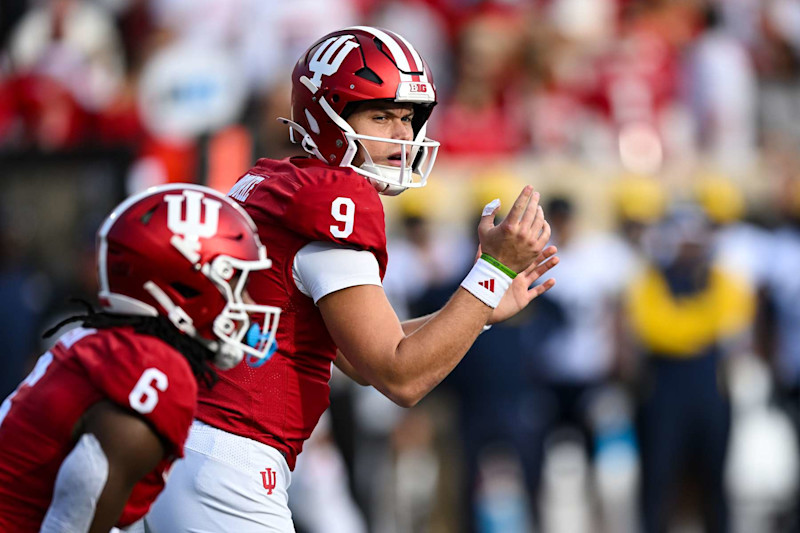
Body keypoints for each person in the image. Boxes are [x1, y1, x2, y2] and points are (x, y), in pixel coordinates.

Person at [146, 26, 559, 532]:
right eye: (380, 115)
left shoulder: (276, 180)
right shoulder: (336, 199)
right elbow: (399, 377)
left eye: (407, 118)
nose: (402, 135)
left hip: (186, 450)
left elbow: (357, 357)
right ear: (326, 114)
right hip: (229, 462)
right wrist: (491, 272)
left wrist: (480, 310)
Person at [0, 183, 281, 533]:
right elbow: (80, 501)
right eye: (234, 281)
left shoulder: (106, 344)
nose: (248, 305)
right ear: (184, 285)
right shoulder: (154, 372)